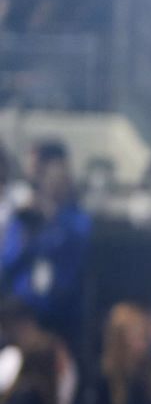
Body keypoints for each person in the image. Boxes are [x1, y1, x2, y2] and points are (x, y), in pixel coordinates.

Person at [0, 140, 92, 351]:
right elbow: (8, 261)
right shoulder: (25, 214)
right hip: (17, 313)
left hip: (59, 318)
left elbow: (69, 262)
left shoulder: (74, 220)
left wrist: (54, 217)